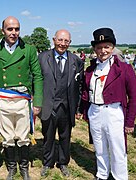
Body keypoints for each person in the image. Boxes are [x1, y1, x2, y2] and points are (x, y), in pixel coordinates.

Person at [0, 16, 43, 180]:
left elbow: (38, 76)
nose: (14, 32)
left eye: (16, 29)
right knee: (8, 137)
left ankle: (24, 167)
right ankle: (12, 167)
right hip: (3, 101)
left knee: (24, 136)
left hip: (22, 101)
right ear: (2, 30)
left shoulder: (29, 49)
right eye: (10, 29)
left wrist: (38, 102)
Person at [81, 28, 136, 180]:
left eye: (106, 46)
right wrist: (84, 110)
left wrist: (130, 122)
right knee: (99, 147)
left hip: (114, 112)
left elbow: (135, 96)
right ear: (94, 49)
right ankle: (102, 174)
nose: (103, 51)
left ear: (113, 47)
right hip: (95, 111)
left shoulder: (124, 69)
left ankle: (119, 176)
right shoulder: (90, 70)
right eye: (99, 47)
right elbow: (86, 93)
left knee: (117, 148)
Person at [38, 29, 84, 177]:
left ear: (70, 43)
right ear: (54, 40)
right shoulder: (42, 58)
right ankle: (47, 162)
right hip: (48, 105)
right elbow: (36, 82)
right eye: (60, 40)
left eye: (66, 41)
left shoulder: (76, 61)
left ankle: (63, 162)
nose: (62, 44)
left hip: (67, 106)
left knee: (65, 137)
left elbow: (80, 86)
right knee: (48, 136)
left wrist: (77, 108)